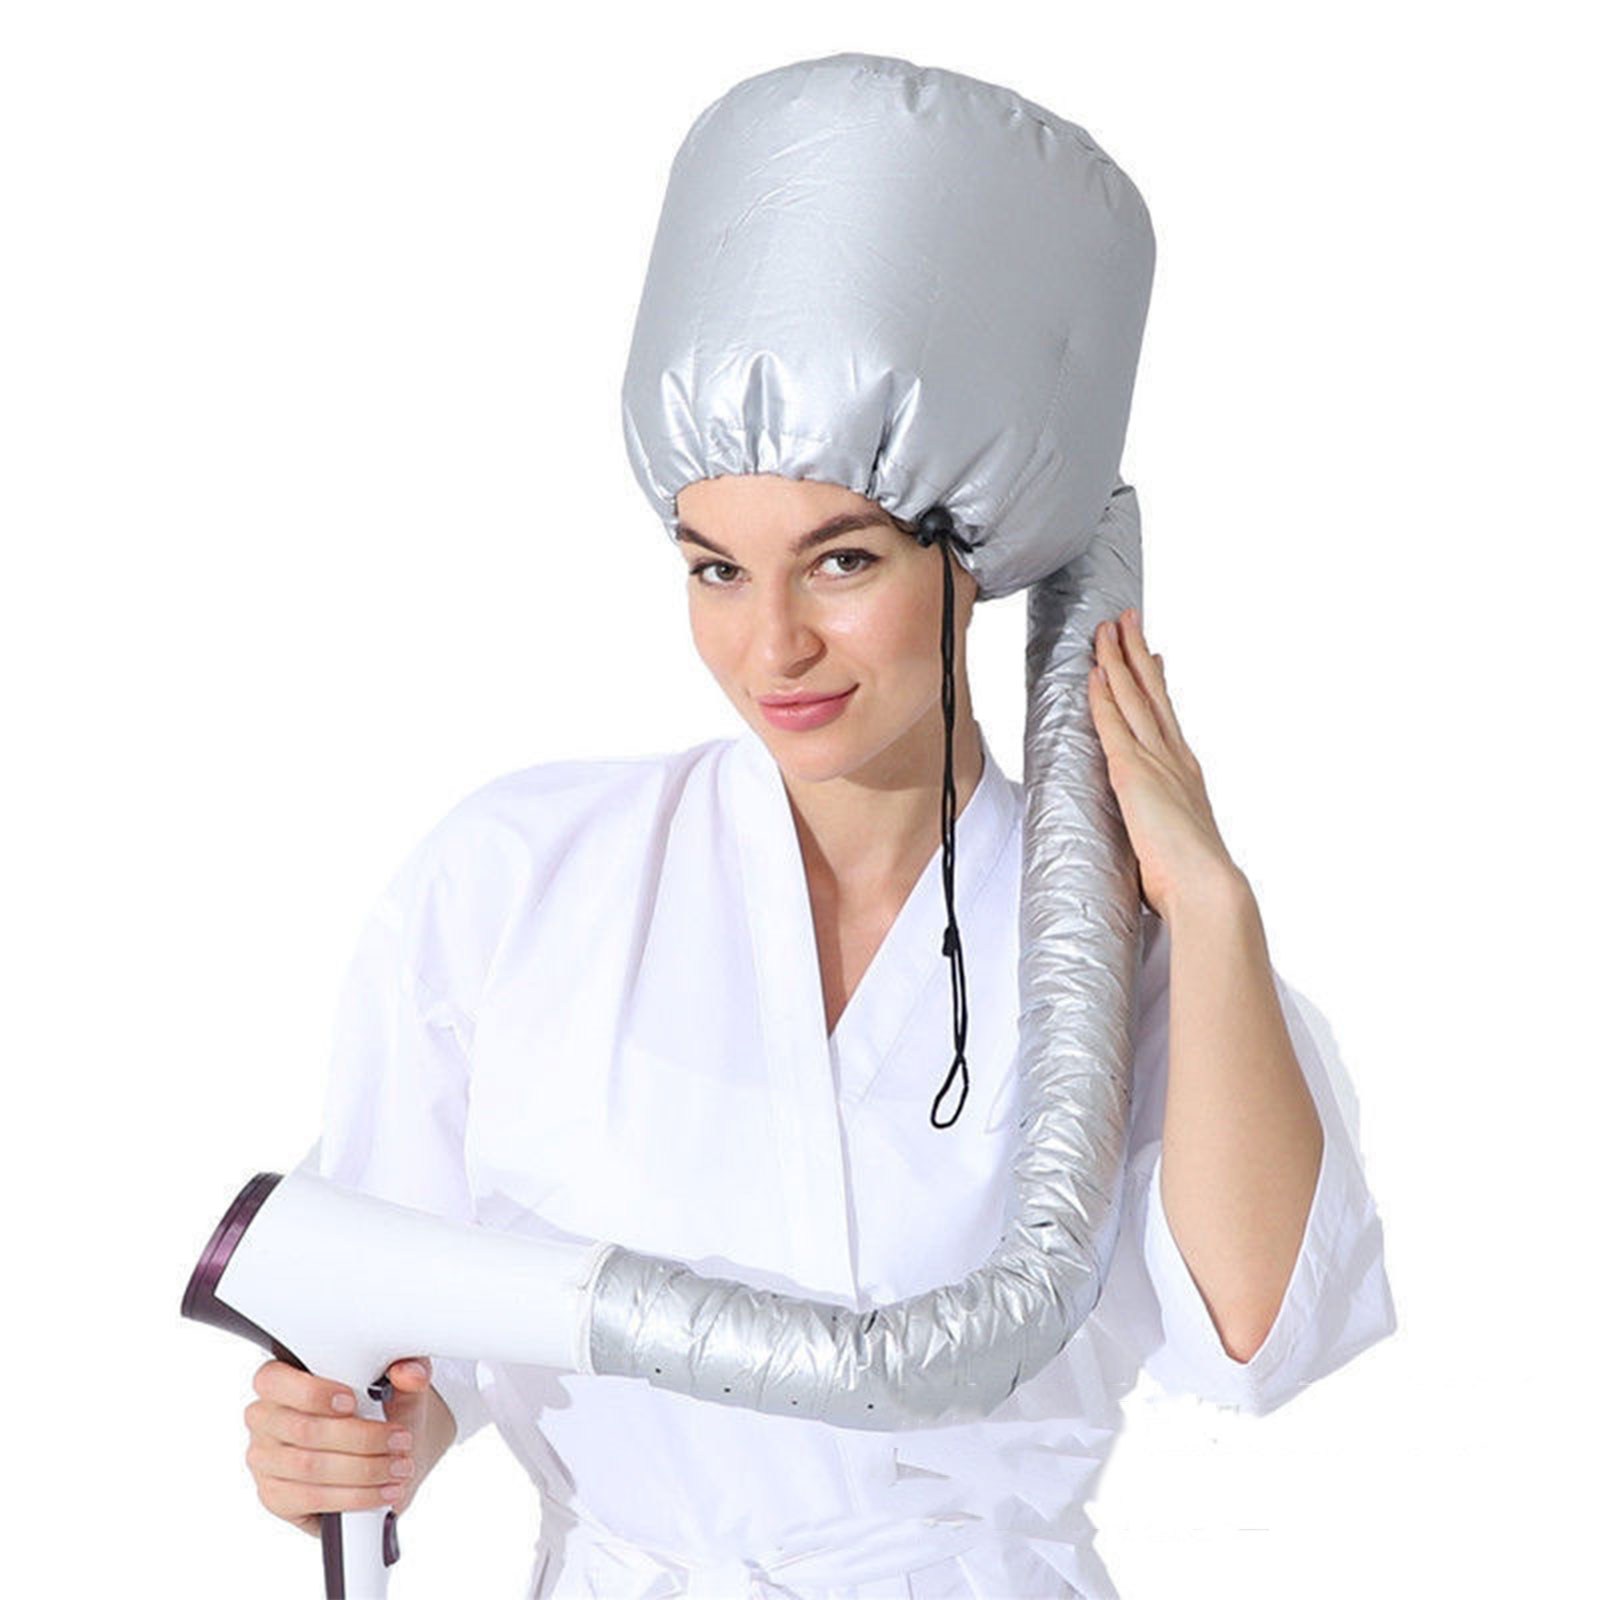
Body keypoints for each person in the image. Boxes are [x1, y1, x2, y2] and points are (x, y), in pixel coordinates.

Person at [239, 53, 1397, 1600]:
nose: (771, 644)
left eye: (842, 561)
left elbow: (1257, 1340)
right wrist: (355, 1445)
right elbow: (399, 1326)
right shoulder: (519, 881)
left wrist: (1212, 904)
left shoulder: (1121, 954)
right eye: (716, 568)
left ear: (972, 553)